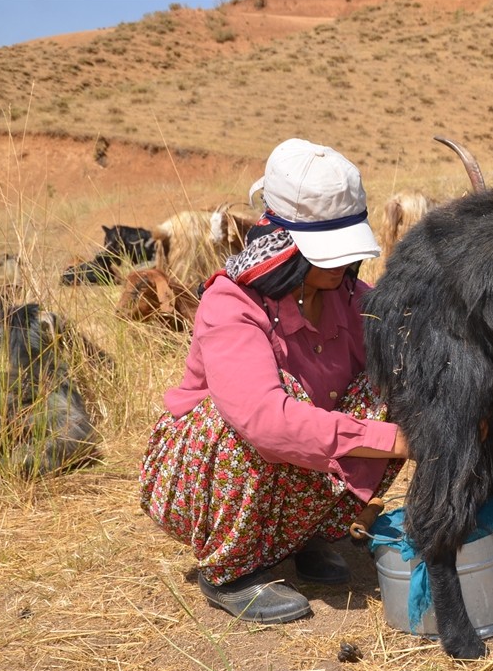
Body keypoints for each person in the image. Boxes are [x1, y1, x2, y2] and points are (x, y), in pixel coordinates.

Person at [139, 138, 409, 624]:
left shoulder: (348, 295)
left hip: (286, 466)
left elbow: (406, 342)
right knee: (249, 418)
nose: (341, 264)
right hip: (204, 465)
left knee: (391, 384)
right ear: (285, 244)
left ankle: (306, 535)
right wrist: (398, 440)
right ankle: (231, 569)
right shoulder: (231, 304)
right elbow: (266, 422)